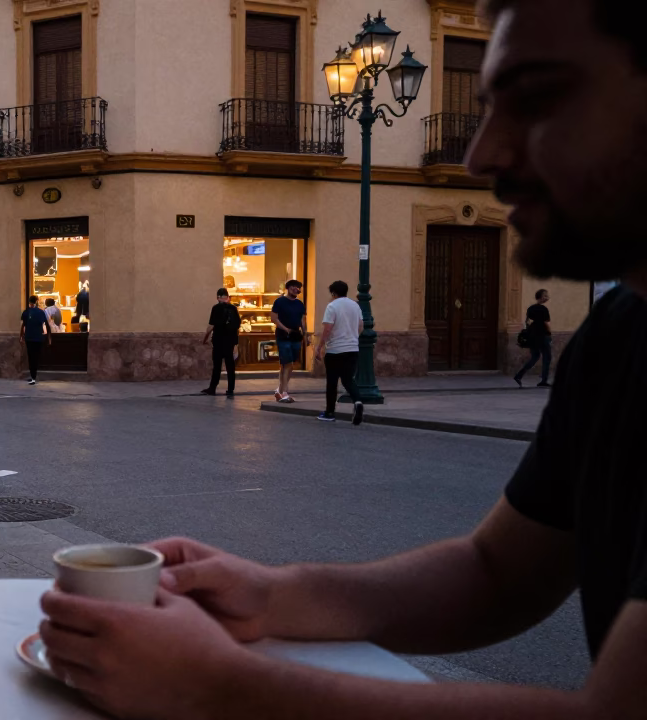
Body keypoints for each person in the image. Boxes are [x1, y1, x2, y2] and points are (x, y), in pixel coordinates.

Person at [37, 1, 647, 716]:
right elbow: (495, 572)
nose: (484, 155)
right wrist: (270, 595)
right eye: (487, 108)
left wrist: (220, 686)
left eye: (540, 98)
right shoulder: (619, 332)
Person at [314, 280, 365, 425]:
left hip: (335, 350)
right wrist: (353, 338)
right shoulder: (355, 305)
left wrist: (319, 347)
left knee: (332, 382)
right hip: (352, 349)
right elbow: (361, 325)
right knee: (348, 379)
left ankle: (330, 412)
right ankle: (358, 402)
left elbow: (328, 328)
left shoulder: (332, 306)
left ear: (333, 293)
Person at [270, 279, 306, 403]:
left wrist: (305, 335)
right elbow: (274, 318)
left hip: (296, 336)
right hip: (283, 336)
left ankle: (279, 390)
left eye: (298, 288)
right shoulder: (279, 302)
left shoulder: (300, 304)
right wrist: (286, 329)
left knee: (289, 365)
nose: (296, 289)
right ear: (288, 288)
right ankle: (284, 392)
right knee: (287, 363)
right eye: (294, 287)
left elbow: (302, 320)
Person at [201, 288, 240, 397]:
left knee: (217, 366)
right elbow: (237, 327)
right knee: (230, 366)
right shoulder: (233, 309)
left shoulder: (216, 308)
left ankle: (212, 388)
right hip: (230, 342)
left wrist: (205, 339)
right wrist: (235, 343)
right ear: (227, 297)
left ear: (218, 297)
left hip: (218, 341)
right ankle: (230, 389)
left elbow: (211, 326)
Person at [515, 289, 553, 388]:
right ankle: (544, 380)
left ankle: (519, 375)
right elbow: (546, 323)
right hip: (542, 335)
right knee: (547, 357)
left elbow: (527, 322)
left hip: (532, 335)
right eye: (545, 296)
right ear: (540, 297)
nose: (547, 297)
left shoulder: (531, 308)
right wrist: (549, 333)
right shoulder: (543, 309)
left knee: (535, 356)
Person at [20, 295, 51, 385]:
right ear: (36, 301)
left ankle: (33, 376)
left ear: (29, 302)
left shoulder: (26, 312)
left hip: (29, 337)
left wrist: (21, 336)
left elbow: (23, 325)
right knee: (36, 357)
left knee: (31, 357)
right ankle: (34, 376)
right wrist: (49, 337)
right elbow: (47, 325)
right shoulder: (41, 312)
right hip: (38, 338)